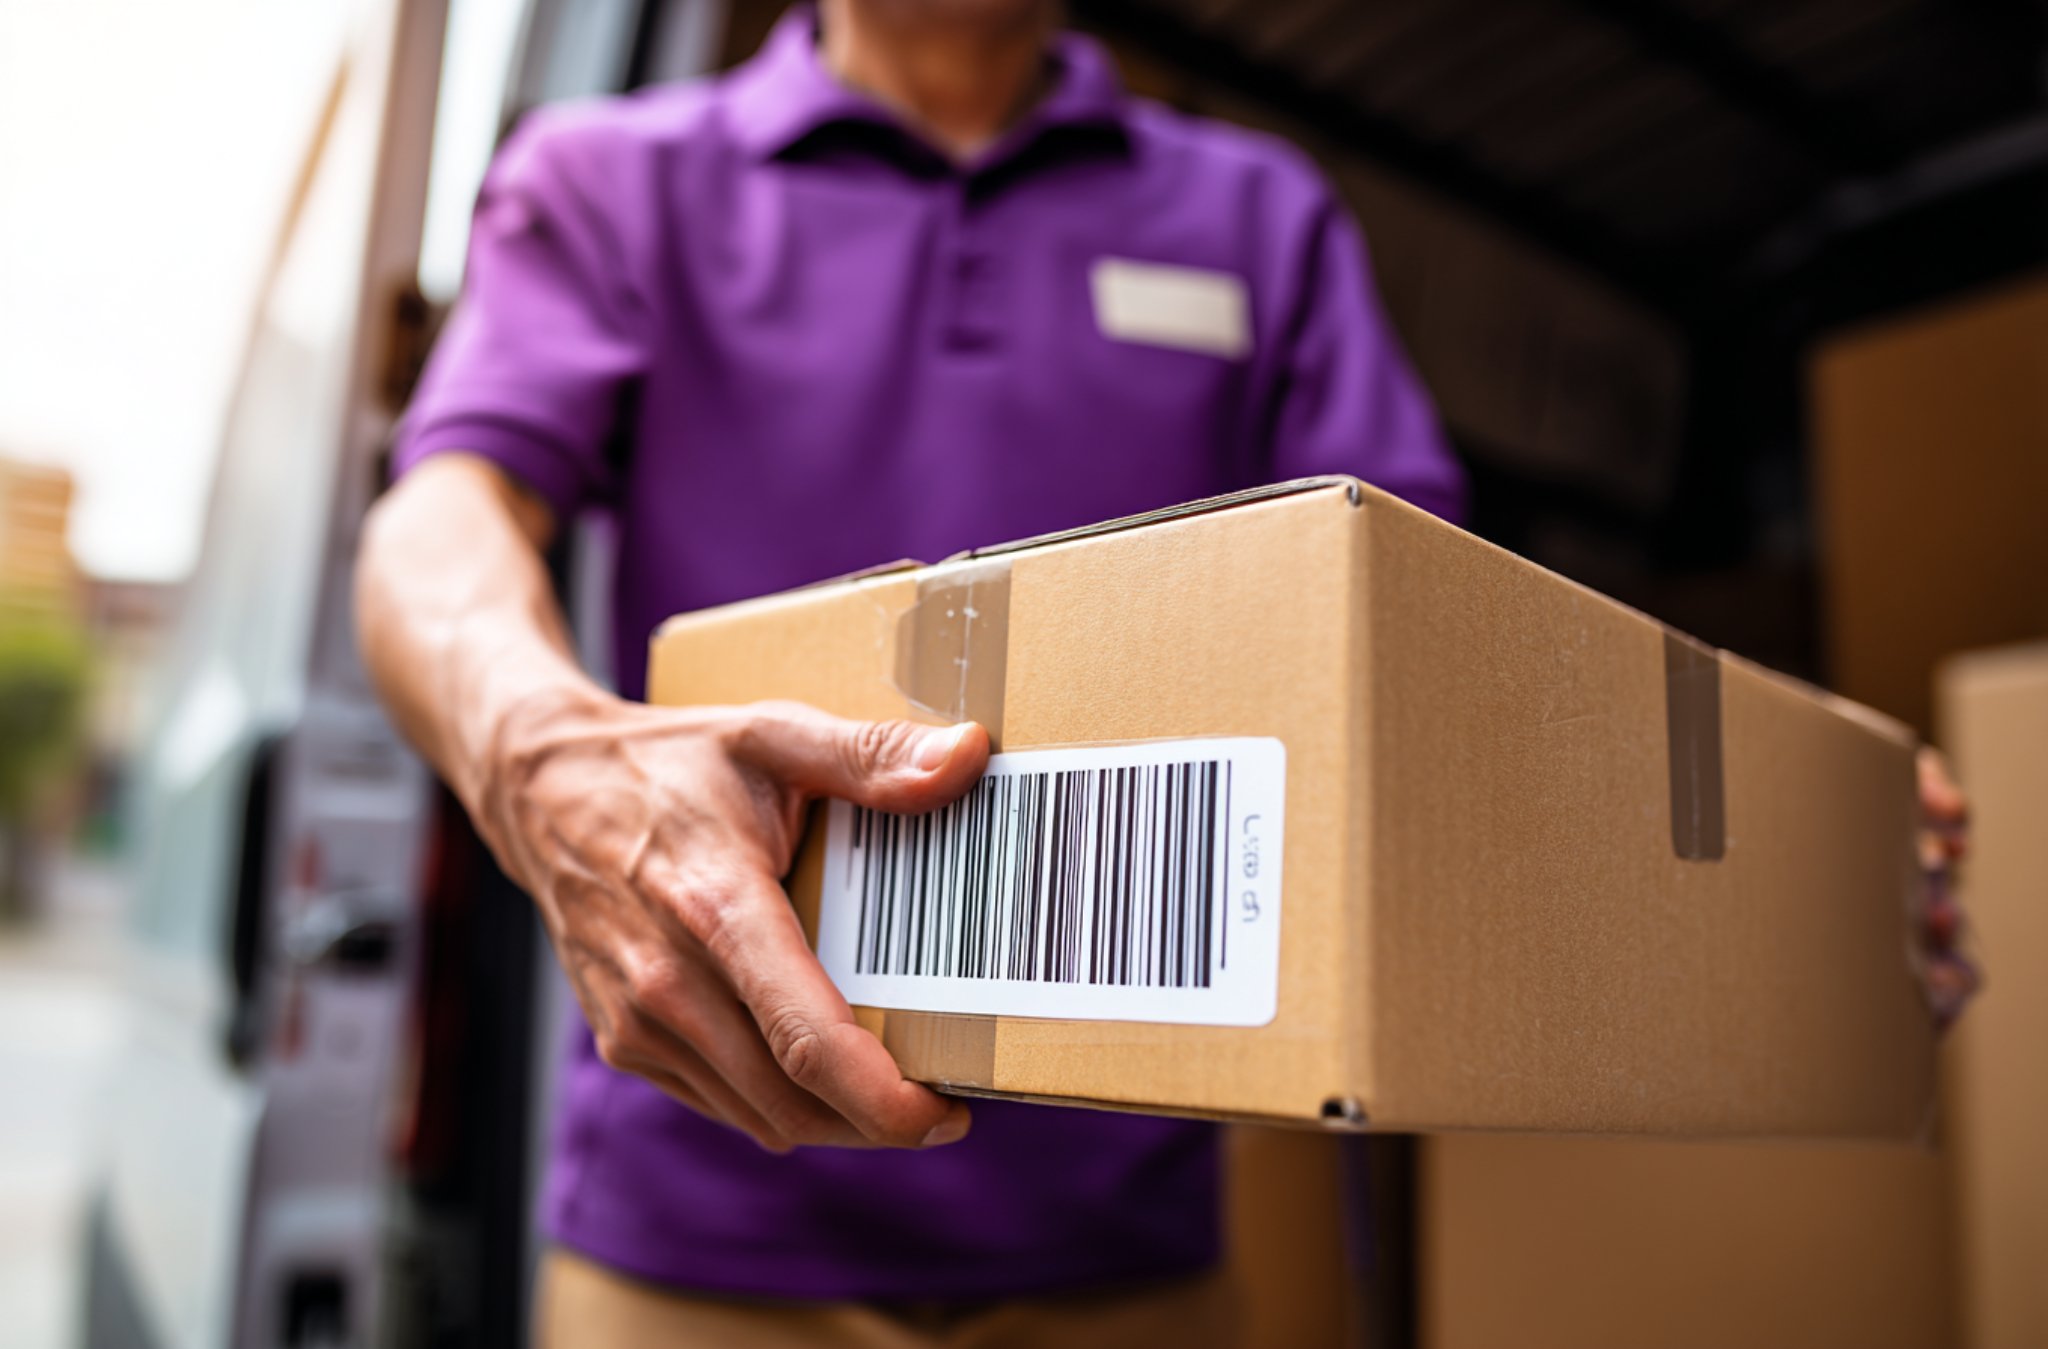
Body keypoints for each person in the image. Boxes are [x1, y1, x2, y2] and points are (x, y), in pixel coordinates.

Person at [353, 1, 1973, 1342]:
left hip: (1134, 1267)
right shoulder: (616, 183)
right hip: (697, 1247)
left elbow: (1433, 640)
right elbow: (444, 515)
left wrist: (1786, 806)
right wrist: (540, 748)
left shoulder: (1253, 217)